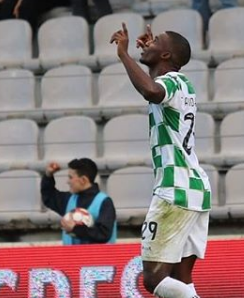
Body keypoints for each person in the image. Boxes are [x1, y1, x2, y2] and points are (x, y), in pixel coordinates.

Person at [111, 23, 212, 298]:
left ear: (166, 56)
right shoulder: (182, 84)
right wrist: (150, 55)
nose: (148, 42)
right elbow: (156, 85)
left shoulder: (170, 83)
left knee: (153, 279)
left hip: (174, 189)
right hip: (196, 188)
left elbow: (152, 91)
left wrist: (124, 55)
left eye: (156, 42)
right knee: (181, 277)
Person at [41, 158, 117, 245]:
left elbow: (103, 234)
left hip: (99, 258)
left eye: (70, 177)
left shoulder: (104, 202)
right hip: (71, 258)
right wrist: (48, 175)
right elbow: (48, 197)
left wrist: (75, 229)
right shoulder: (68, 199)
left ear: (83, 180)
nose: (68, 182)